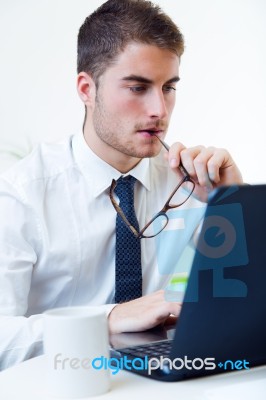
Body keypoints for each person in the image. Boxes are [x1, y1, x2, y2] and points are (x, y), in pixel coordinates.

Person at [0, 0, 243, 370]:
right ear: (86, 88)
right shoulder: (21, 195)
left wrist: (233, 207)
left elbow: (241, 312)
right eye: (137, 87)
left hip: (171, 383)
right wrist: (108, 320)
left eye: (169, 88)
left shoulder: (192, 184)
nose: (159, 110)